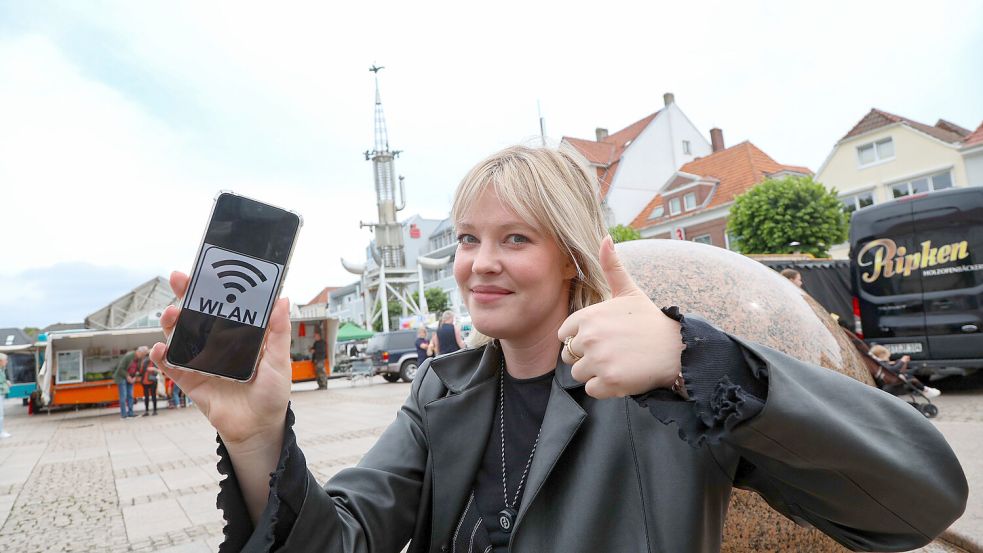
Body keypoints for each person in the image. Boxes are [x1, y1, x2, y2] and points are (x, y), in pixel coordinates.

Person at [150, 145, 966, 553]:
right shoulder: (443, 388)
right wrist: (257, 435)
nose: (479, 262)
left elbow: (917, 497)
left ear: (574, 252)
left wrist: (697, 358)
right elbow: (344, 540)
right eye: (468, 238)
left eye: (515, 237)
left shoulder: (674, 382)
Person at [868, 345, 942, 398]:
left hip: (893, 379)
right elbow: (893, 370)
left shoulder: (878, 364)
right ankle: (926, 390)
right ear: (882, 355)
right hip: (892, 384)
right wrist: (902, 361)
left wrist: (900, 362)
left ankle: (924, 385)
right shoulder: (881, 364)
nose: (888, 359)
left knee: (909, 374)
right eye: (887, 357)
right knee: (913, 380)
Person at [113, 346, 147, 419]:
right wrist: (127, 377)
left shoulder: (140, 359)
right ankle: (124, 415)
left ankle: (130, 413)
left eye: (144, 355)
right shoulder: (129, 356)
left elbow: (138, 370)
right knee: (123, 396)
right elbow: (120, 368)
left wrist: (134, 377)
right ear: (139, 352)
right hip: (121, 377)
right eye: (143, 354)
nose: (143, 356)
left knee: (130, 396)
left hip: (131, 378)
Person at [0, 352, 10, 439]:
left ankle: (1, 431)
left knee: (1, 414)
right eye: (5, 360)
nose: (6, 362)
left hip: (1, 393)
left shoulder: (2, 370)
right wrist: (5, 384)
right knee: (0, 414)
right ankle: (1, 432)